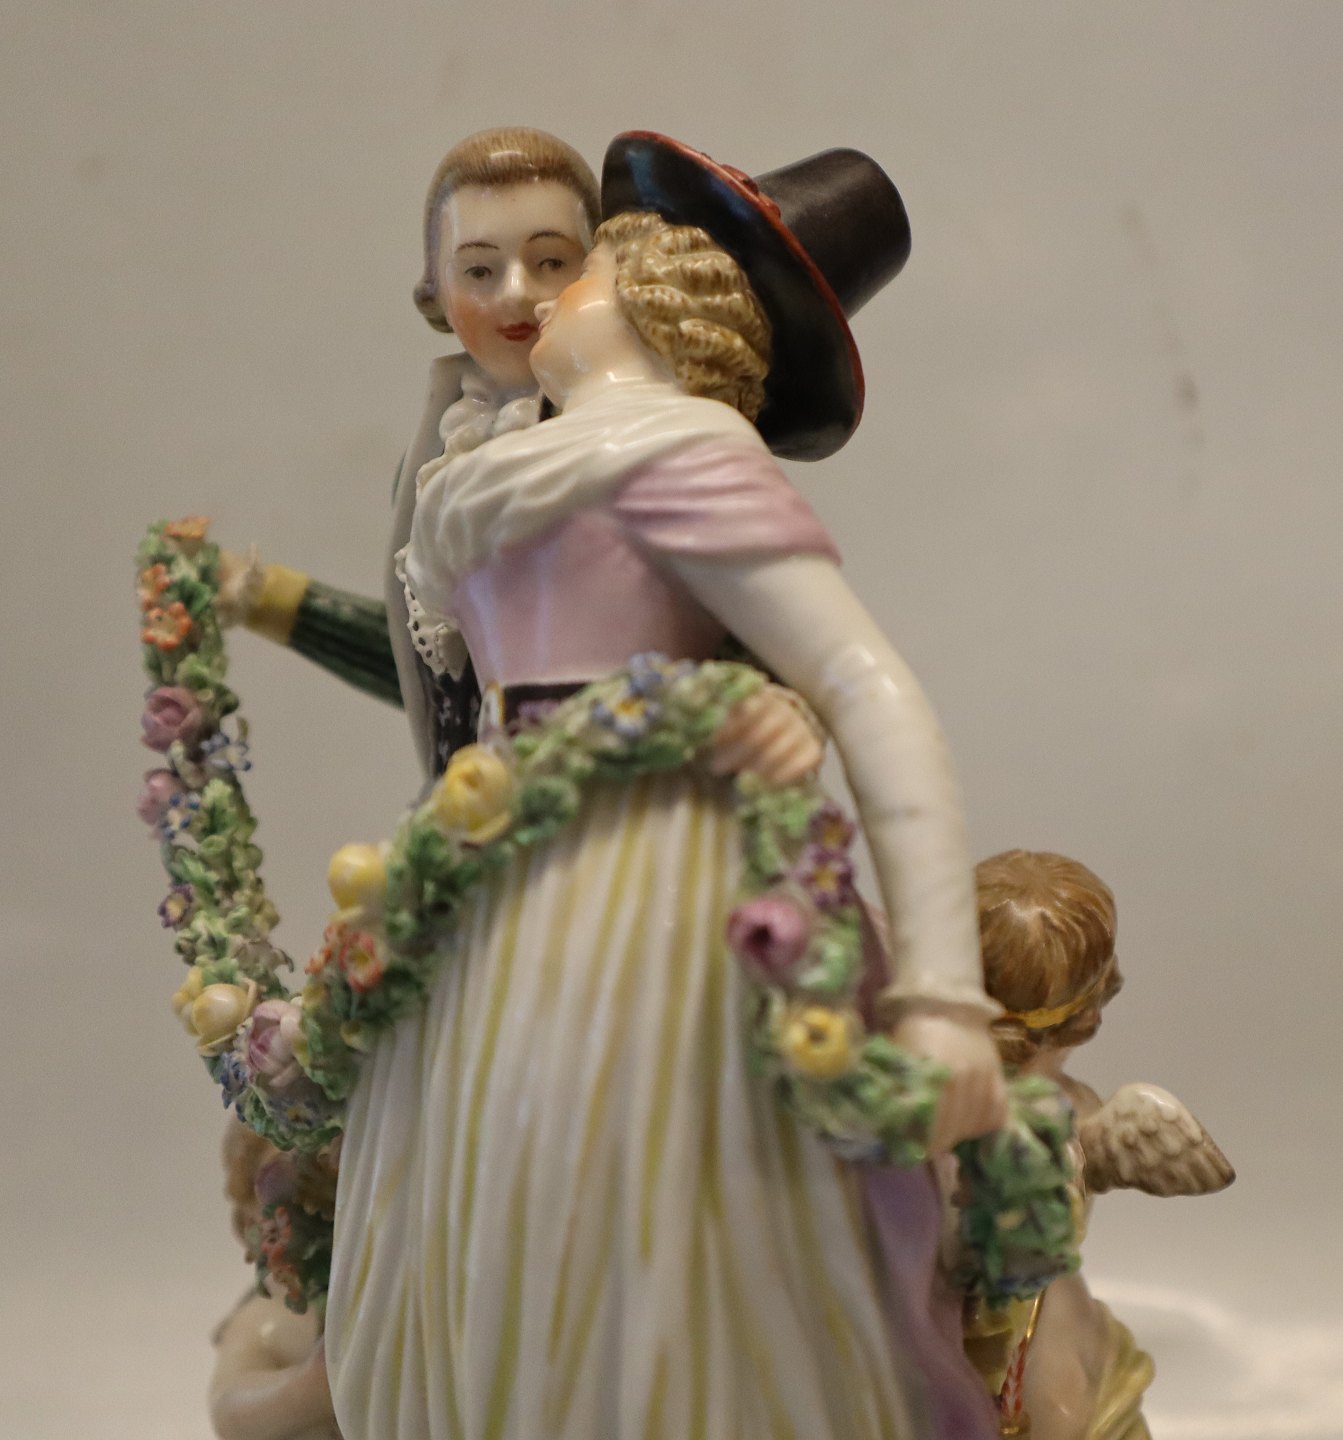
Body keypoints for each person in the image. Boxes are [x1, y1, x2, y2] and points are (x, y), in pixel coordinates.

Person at [324, 134, 1008, 1440]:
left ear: (644, 301)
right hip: (490, 875)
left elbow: (864, 686)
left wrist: (941, 999)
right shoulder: (490, 474)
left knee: (635, 1196)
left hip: (643, 884)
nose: (536, 300)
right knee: (488, 1186)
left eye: (572, 271)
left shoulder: (679, 453)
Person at [222, 127, 817, 783]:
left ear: (603, 270)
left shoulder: (644, 437)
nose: (515, 294)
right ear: (435, 291)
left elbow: (760, 623)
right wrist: (273, 601)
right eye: (479, 270)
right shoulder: (440, 458)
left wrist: (775, 705)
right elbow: (444, 672)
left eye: (551, 263)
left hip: (638, 782)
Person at [962, 850, 1234, 1440]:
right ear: (1088, 1014)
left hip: (1006, 1339)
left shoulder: (919, 1108)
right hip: (1035, 1354)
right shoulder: (1073, 1114)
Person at [211, 1120, 342, 1440]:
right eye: (294, 1202)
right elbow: (229, 1407)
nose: (319, 1215)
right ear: (251, 1226)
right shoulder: (269, 1315)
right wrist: (309, 1386)